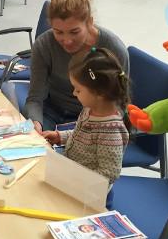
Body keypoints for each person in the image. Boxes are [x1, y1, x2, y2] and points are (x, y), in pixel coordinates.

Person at [24, 0, 129, 133]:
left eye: (74, 32)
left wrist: (83, 130)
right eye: (58, 32)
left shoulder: (113, 48)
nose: (67, 40)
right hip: (50, 112)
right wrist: (36, 124)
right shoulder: (44, 44)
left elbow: (120, 105)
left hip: (93, 121)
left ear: (89, 22)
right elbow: (35, 98)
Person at [42, 47, 130, 205]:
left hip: (90, 196)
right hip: (74, 177)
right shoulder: (90, 109)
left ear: (100, 93)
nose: (74, 93)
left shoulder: (110, 132)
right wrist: (60, 137)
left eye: (78, 90)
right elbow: (80, 134)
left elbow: (109, 173)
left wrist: (78, 182)